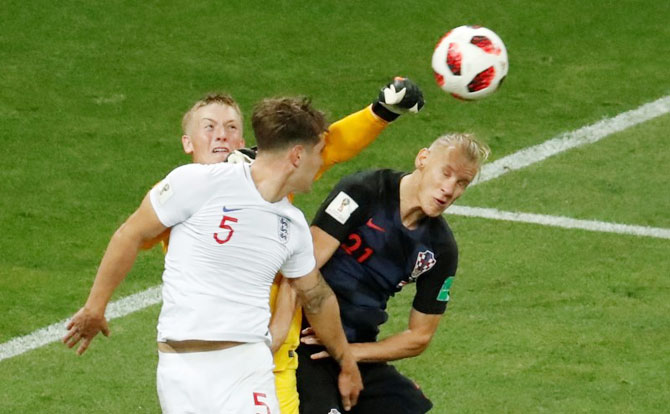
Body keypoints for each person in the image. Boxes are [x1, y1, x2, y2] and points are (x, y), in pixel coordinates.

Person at [63, 97, 364, 413]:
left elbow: (316, 297)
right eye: (318, 153)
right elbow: (131, 234)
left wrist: (346, 360)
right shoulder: (195, 183)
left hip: (247, 369)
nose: (320, 162)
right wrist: (95, 307)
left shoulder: (294, 225)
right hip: (180, 371)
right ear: (297, 156)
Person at [144, 77, 424, 414]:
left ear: (245, 140)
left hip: (274, 365)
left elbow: (325, 148)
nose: (221, 134)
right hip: (203, 362)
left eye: (231, 127)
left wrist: (379, 112)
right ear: (187, 143)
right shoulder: (178, 194)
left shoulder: (269, 184)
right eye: (209, 127)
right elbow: (134, 238)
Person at [297, 133, 491, 413]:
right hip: (306, 341)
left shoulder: (441, 249)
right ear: (423, 159)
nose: (450, 189)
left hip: (356, 348)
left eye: (462, 183)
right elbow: (304, 270)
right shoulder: (363, 191)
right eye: (445, 173)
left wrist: (349, 355)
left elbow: (419, 336)